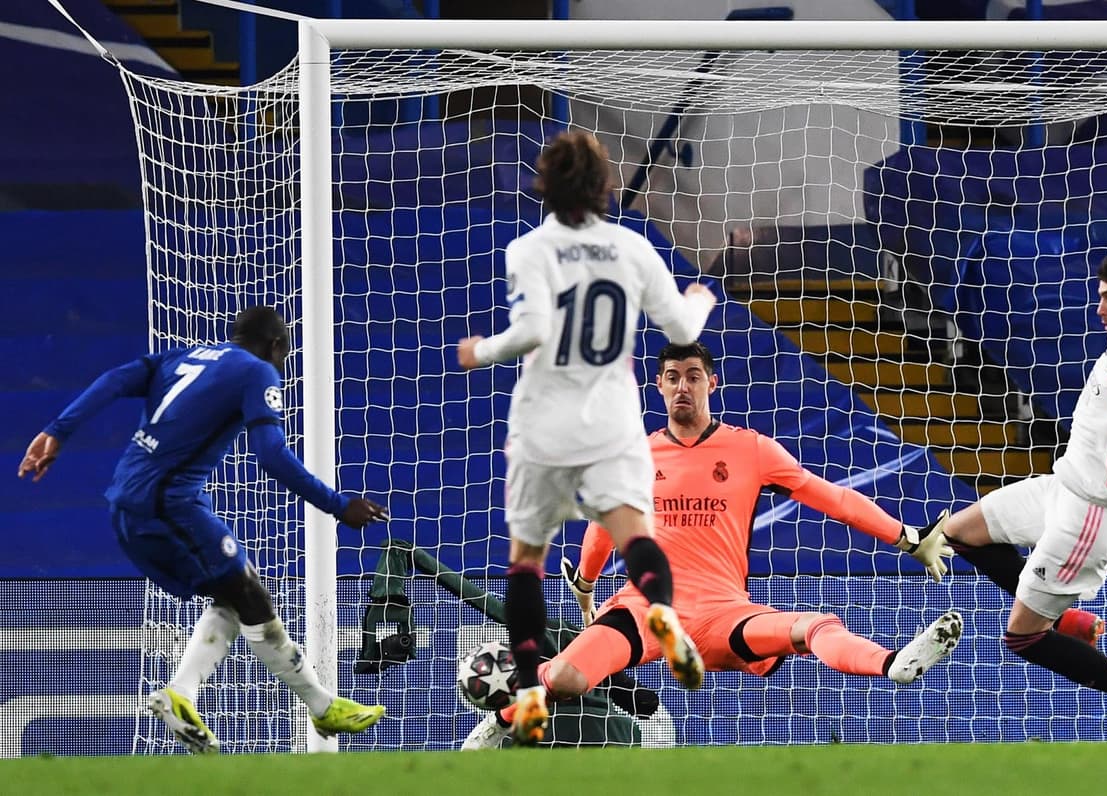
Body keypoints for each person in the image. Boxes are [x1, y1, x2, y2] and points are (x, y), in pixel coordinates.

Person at [462, 341, 962, 749]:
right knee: (568, 677)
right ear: (658, 386)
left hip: (723, 612)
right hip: (645, 610)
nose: (683, 385)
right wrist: (588, 587)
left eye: (693, 375)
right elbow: (603, 525)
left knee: (814, 627)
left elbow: (829, 496)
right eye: (673, 376)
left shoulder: (752, 449)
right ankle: (504, 715)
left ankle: (892, 662)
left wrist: (906, 536)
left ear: (711, 383)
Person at [17, 306, 390, 754]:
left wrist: (58, 430)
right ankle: (317, 705)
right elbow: (271, 455)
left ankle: (189, 695)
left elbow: (116, 378)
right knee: (249, 595)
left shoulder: (185, 357)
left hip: (128, 498)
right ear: (277, 347)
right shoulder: (257, 373)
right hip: (167, 504)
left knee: (238, 591)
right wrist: (337, 505)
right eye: (286, 353)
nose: (284, 364)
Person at [456, 130, 717, 746]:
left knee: (529, 560)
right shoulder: (630, 246)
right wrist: (700, 300)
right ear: (605, 187)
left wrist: (481, 351)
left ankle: (526, 692)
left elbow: (532, 330)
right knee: (635, 538)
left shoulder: (529, 247)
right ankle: (661, 612)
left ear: (543, 184)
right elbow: (679, 325)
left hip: (545, 426)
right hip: (612, 424)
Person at [942, 253, 1107, 741]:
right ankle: (1072, 618)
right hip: (1061, 486)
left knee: (1023, 637)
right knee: (960, 533)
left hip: (1091, 513)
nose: (1099, 308)